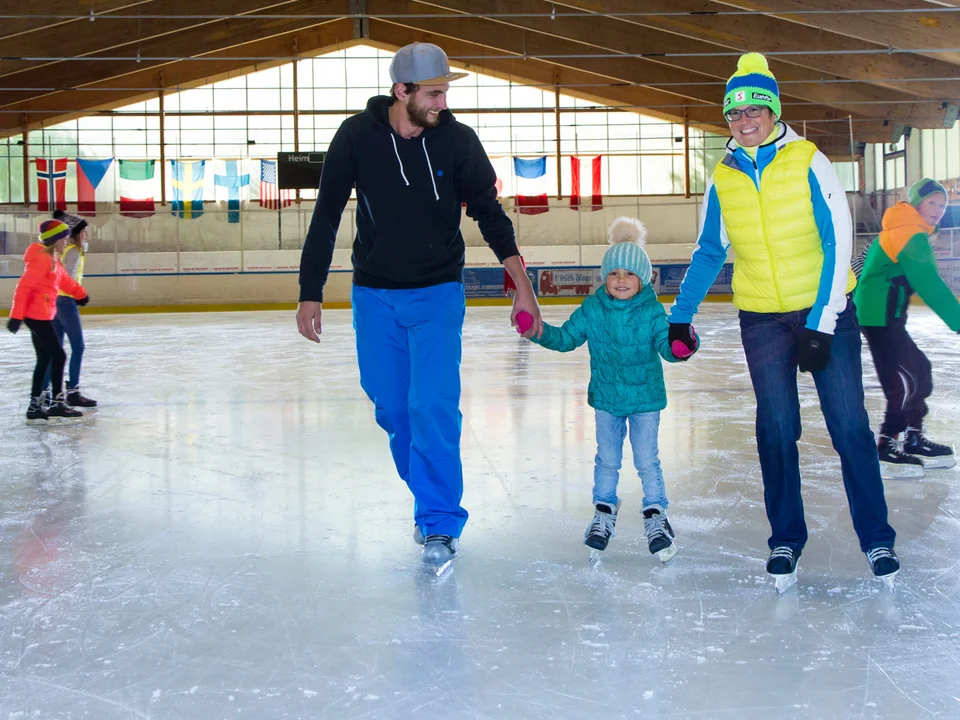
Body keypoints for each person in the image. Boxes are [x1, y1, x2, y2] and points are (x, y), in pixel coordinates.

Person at [296, 42, 541, 567]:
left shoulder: (456, 141)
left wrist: (522, 281)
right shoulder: (355, 137)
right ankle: (431, 496)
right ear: (400, 91)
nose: (442, 102)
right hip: (375, 294)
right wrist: (310, 291)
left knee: (431, 406)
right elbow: (326, 215)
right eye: (433, 93)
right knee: (391, 406)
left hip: (437, 293)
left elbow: (489, 214)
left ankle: (438, 520)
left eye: (445, 92)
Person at [667, 52, 899, 589]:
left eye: (753, 109)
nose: (744, 121)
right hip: (763, 320)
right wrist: (680, 316)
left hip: (826, 313)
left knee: (849, 427)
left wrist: (821, 321)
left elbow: (838, 240)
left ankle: (877, 538)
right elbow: (708, 252)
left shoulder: (808, 160)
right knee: (776, 428)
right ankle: (786, 539)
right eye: (734, 113)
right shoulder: (722, 176)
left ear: (773, 110)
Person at [529, 218, 683, 562]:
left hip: (645, 400)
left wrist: (683, 346)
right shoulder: (593, 309)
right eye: (614, 273)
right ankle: (603, 512)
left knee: (646, 460)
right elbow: (566, 339)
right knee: (607, 460)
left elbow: (668, 347)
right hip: (608, 399)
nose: (621, 280)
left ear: (643, 278)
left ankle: (656, 515)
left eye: (629, 273)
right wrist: (537, 331)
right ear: (605, 277)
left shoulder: (653, 310)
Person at [854, 178, 959, 478]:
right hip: (879, 315)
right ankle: (888, 443)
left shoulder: (905, 229)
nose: (938, 210)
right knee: (905, 379)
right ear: (916, 203)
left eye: (942, 205)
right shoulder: (910, 233)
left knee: (918, 369)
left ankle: (913, 436)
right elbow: (930, 284)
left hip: (885, 313)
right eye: (932, 203)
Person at [7, 220, 90, 425]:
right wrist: (16, 315)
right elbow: (23, 287)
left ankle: (36, 406)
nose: (65, 241)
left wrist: (80, 294)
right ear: (56, 239)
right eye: (63, 238)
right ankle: (56, 403)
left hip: (43, 313)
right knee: (58, 355)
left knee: (45, 358)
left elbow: (63, 280)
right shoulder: (42, 259)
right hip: (36, 315)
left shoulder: (52, 258)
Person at [39, 210, 98, 410]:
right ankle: (72, 391)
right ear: (77, 234)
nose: (87, 236)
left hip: (53, 301)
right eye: (85, 232)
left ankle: (46, 392)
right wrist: (79, 294)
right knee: (78, 347)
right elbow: (68, 278)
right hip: (65, 302)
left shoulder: (61, 250)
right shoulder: (74, 251)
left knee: (55, 349)